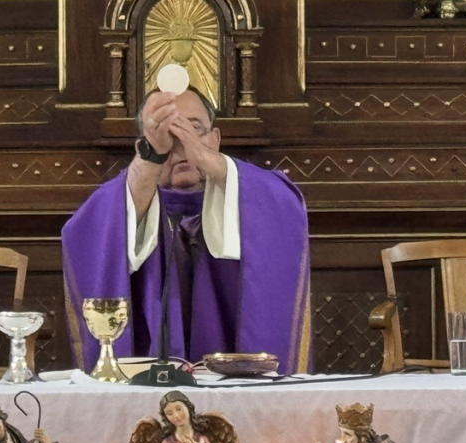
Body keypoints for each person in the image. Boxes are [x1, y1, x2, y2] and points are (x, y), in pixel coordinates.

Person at [61, 87, 312, 373]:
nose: (181, 144)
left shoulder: (253, 194)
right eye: (167, 133)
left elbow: (285, 209)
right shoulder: (126, 199)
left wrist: (208, 160)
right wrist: (151, 157)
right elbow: (86, 232)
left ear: (216, 139)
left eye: (194, 129)